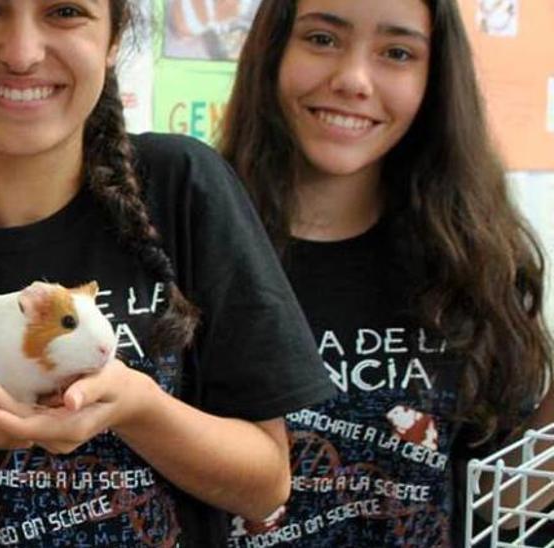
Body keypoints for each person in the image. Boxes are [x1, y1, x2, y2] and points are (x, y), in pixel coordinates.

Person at [0, 0, 335, 546]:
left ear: (111, 39)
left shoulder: (186, 187)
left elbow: (266, 484)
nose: (21, 53)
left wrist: (138, 408)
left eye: (65, 11)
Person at [219, 0, 553, 545]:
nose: (352, 79)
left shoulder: (475, 264)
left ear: (433, 79)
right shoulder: (189, 241)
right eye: (323, 39)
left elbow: (497, 513)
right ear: (273, 51)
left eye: (397, 53)